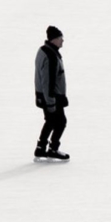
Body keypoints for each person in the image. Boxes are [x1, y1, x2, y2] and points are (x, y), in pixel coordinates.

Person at [35, 26, 70, 161]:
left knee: (50, 121)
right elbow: (47, 81)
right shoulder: (51, 56)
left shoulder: (44, 51)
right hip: (52, 96)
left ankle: (40, 148)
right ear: (54, 39)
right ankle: (53, 149)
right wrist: (51, 102)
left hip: (45, 95)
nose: (63, 41)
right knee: (60, 122)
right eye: (60, 38)